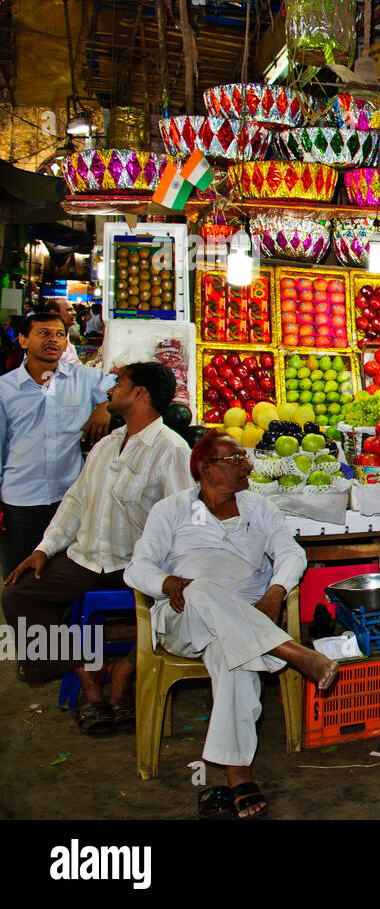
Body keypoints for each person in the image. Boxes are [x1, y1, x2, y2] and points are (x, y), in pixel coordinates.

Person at [125, 430, 338, 819]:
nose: (247, 465)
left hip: (247, 619)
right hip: (185, 618)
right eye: (234, 459)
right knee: (202, 589)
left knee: (234, 655)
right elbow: (137, 567)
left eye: (245, 457)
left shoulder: (259, 507)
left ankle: (238, 777)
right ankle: (290, 651)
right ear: (205, 468)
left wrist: (275, 592)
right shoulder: (172, 509)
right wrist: (167, 583)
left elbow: (291, 553)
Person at [2, 362, 192, 733]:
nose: (110, 390)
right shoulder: (105, 445)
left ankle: (122, 674)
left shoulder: (171, 449)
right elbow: (75, 502)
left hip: (135, 564)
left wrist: (168, 574)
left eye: (119, 383)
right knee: (17, 595)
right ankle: (88, 673)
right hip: (85, 558)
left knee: (179, 604)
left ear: (140, 394)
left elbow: (181, 520)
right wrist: (44, 549)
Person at [0, 312, 114, 575]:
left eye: (60, 334)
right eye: (44, 333)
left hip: (69, 499)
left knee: (59, 576)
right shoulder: (5, 389)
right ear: (23, 340)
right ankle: (23, 619)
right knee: (19, 578)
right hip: (20, 499)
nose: (53, 339)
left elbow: (119, 387)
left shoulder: (85, 378)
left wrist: (104, 404)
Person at [41, 300, 81, 365]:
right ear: (54, 313)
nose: (74, 313)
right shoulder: (45, 339)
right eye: (69, 310)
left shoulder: (66, 335)